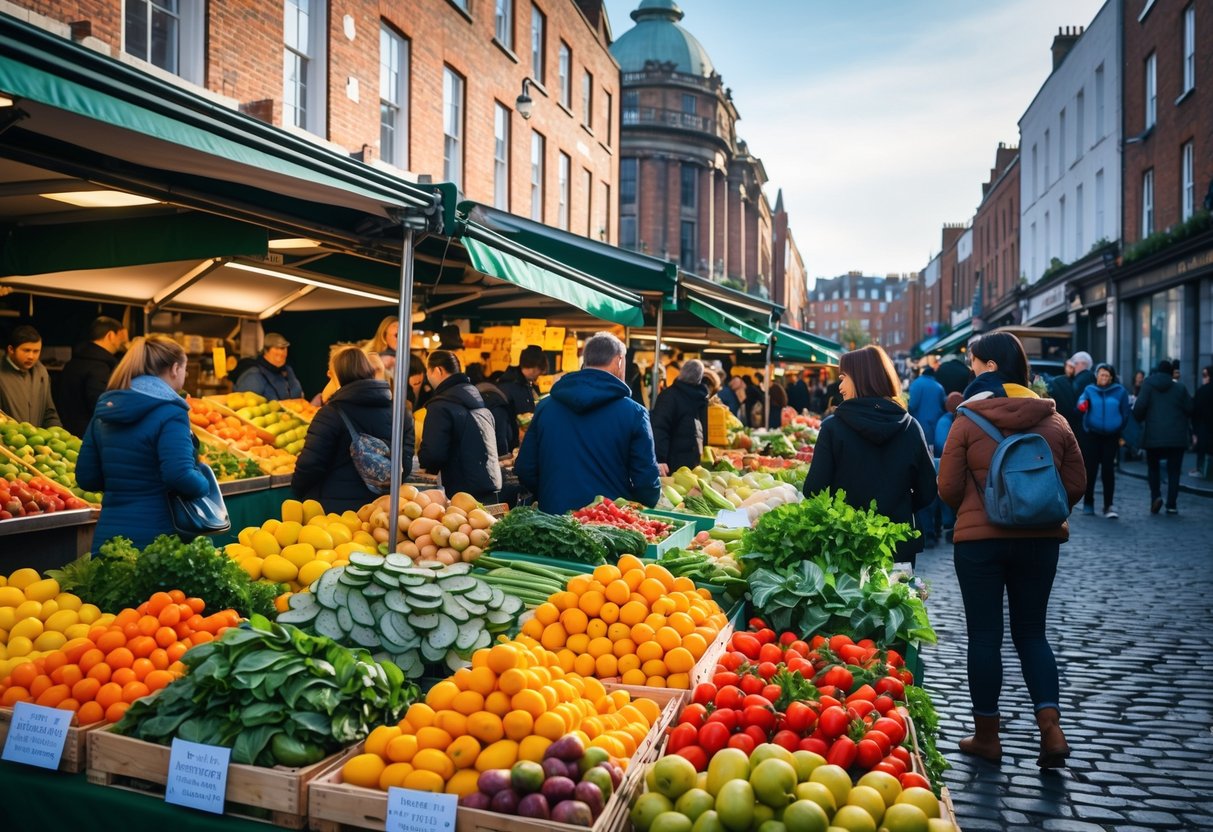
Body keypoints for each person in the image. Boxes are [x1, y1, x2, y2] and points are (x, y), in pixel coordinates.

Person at [937, 331, 1085, 769]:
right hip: (1040, 543)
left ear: (992, 366)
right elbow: (1075, 484)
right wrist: (1036, 510)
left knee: (985, 636)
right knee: (1033, 633)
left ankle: (987, 737)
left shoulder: (967, 419)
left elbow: (946, 486)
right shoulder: (1055, 421)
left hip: (979, 545)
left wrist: (974, 508)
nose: (970, 369)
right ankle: (1051, 730)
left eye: (974, 362)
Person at [801, 344, 937, 567]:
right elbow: (929, 489)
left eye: (844, 377)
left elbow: (813, 489)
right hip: (896, 542)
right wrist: (898, 505)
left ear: (860, 379)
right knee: (894, 599)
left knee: (847, 601)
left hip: (844, 542)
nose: (840, 386)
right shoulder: (911, 427)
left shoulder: (833, 428)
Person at [76, 335, 211, 548]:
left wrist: (123, 483)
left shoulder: (104, 411)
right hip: (157, 539)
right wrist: (206, 484)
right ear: (175, 369)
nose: (184, 375)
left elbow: (86, 478)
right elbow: (179, 475)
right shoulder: (171, 412)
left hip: (109, 538)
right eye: (185, 369)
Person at [515, 332, 661, 514]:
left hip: (552, 520)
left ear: (585, 360)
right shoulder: (634, 413)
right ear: (619, 361)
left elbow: (525, 468)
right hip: (609, 525)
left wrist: (550, 493)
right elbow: (646, 481)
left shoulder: (546, 406)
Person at [291, 347, 409, 513]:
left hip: (335, 513)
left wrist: (298, 490)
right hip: (382, 510)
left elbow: (310, 464)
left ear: (339, 376)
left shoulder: (331, 413)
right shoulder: (400, 413)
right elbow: (406, 462)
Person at [417, 351, 502, 502]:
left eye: (428, 371)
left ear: (438, 370)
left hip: (461, 491)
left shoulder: (441, 405)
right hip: (488, 483)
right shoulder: (474, 396)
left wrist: (424, 462)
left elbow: (433, 454)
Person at [1132, 359, 1193, 515]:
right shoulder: (1180, 388)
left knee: (1153, 469)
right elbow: (1190, 408)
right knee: (1174, 471)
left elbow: (1139, 409)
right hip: (1176, 437)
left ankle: (1156, 497)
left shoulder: (1148, 385)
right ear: (1172, 372)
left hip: (1153, 435)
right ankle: (1172, 504)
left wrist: (1139, 419)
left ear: (1157, 371)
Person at [54, 317, 128, 437]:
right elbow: (101, 406)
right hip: (91, 435)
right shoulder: (100, 368)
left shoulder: (73, 362)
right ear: (110, 335)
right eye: (121, 338)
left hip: (68, 434)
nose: (123, 343)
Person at [1076, 363, 1130, 518]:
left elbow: (1125, 412)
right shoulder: (1089, 390)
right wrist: (1082, 406)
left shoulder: (1120, 392)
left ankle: (1108, 505)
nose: (1104, 378)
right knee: (1091, 470)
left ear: (1111, 377)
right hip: (1092, 435)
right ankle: (1088, 503)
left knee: (1108, 470)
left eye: (1107, 375)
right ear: (1096, 375)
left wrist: (1119, 426)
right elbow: (1081, 402)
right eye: (1101, 375)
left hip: (1111, 437)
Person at [651, 360, 709, 474]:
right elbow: (704, 429)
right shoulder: (702, 398)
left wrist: (659, 458)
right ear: (700, 377)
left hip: (671, 461)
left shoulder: (668, 396)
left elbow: (659, 429)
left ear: (681, 372)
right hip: (694, 459)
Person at [0, 324, 61, 427]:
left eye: (36, 351)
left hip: (35, 441)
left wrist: (58, 433)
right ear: (11, 349)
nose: (31, 356)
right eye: (26, 350)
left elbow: (49, 412)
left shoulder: (41, 372)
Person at [933, 391, 964, 543]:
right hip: (949, 462)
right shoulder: (959, 420)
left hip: (943, 461)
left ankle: (947, 525)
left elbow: (940, 443)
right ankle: (949, 525)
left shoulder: (943, 421)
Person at [235, 333, 304, 401]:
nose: (281, 352)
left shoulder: (288, 370)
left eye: (284, 348)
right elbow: (243, 404)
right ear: (266, 350)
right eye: (277, 348)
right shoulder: (254, 374)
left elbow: (298, 393)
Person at [498, 346, 546, 420]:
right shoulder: (511, 386)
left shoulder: (526, 383)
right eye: (539, 373)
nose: (538, 377)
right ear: (534, 369)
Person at [1192, 365, 1213, 478]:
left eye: (1204, 375)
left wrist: (1195, 431)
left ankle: (1201, 469)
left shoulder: (1201, 391)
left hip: (1204, 426)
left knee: (1203, 449)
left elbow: (1195, 412)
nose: (1203, 378)